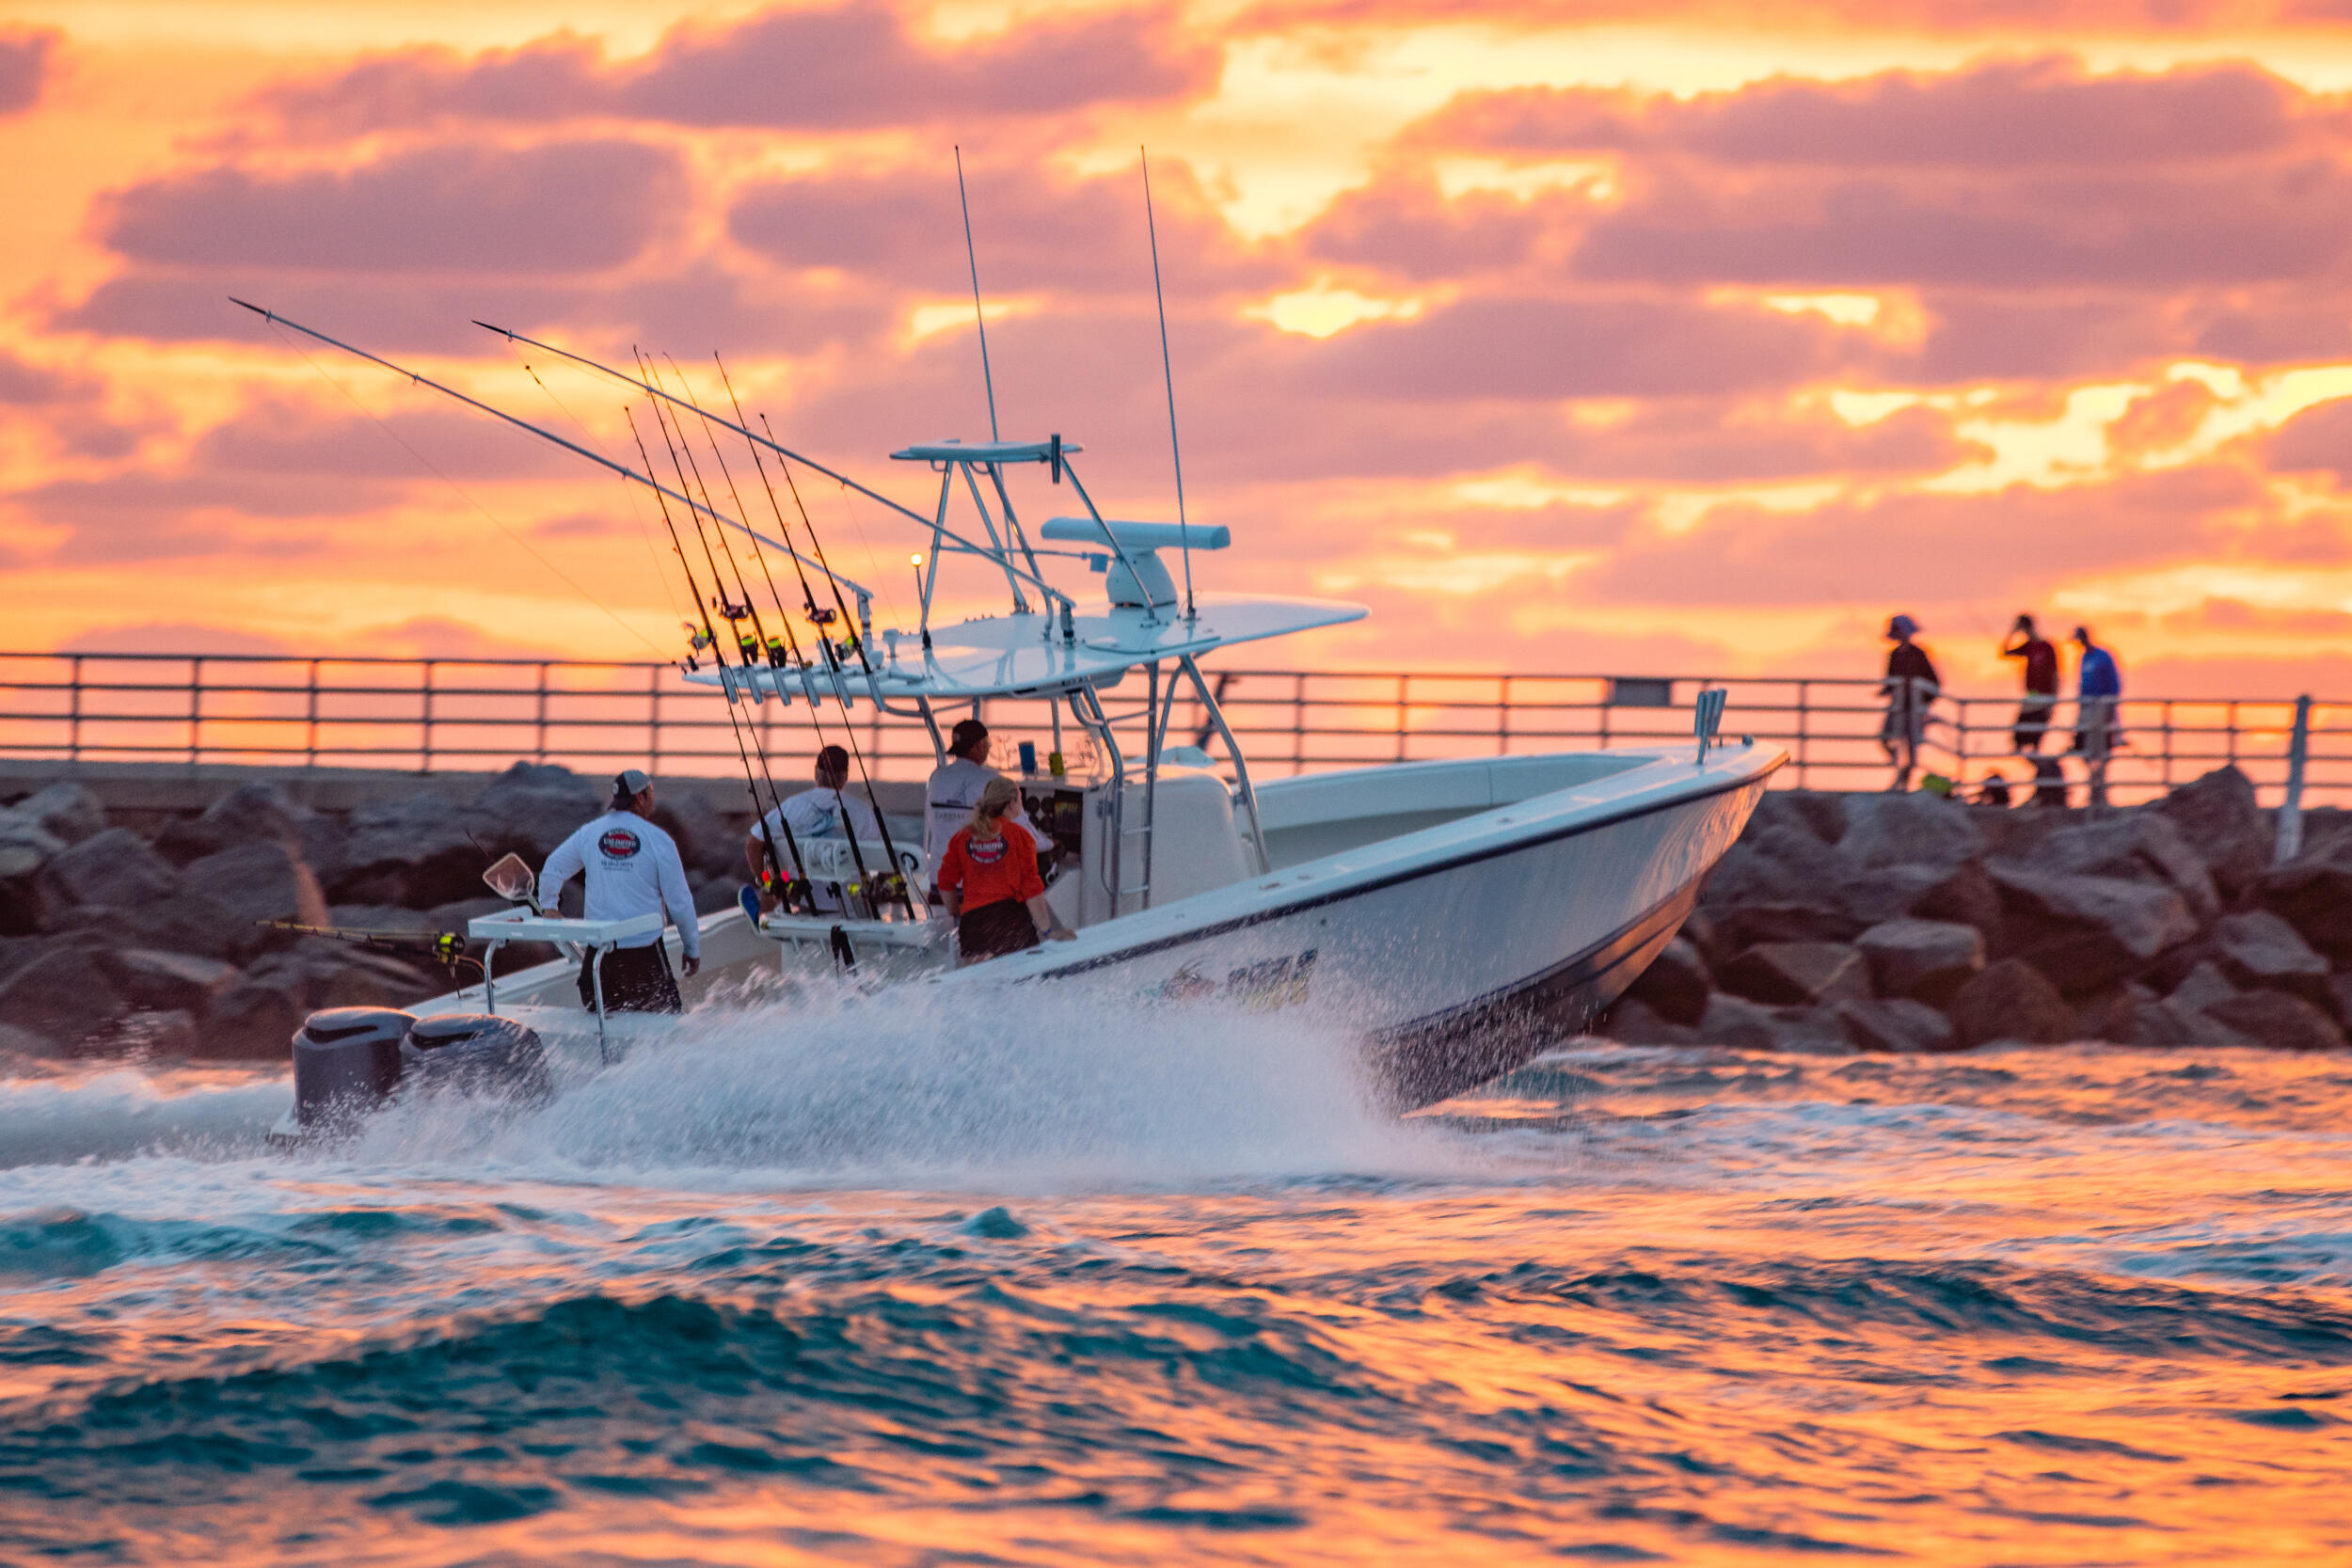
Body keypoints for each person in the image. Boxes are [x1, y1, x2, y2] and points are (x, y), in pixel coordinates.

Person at [539, 768, 701, 1013]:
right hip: (644, 957)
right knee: (665, 1029)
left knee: (607, 1028)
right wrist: (691, 949)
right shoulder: (658, 840)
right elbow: (680, 902)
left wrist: (549, 907)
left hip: (599, 960)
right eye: (651, 792)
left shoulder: (590, 832)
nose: (653, 798)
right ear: (641, 796)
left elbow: (553, 868)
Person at [933, 776, 1074, 964]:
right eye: (1020, 801)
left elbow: (944, 882)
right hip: (1009, 922)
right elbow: (1032, 890)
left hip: (972, 926)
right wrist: (1048, 931)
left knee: (977, 986)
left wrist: (956, 912)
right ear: (1012, 803)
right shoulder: (1020, 837)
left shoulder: (962, 837)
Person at [742, 745, 882, 915]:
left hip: (803, 900)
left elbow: (753, 844)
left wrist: (764, 881)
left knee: (773, 872)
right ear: (845, 776)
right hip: (852, 902)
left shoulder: (791, 806)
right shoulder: (863, 811)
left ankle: (762, 912)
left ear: (816, 772)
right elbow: (882, 860)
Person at [924, 718, 1033, 887]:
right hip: (972, 887)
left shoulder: (936, 777)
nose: (989, 748)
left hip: (938, 882)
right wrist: (1050, 844)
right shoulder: (990, 780)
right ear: (979, 746)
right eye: (987, 743)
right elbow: (1026, 834)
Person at [1879, 614, 1940, 792]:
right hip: (1898, 707)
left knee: (1911, 747)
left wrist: (1923, 701)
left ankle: (1904, 781)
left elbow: (1933, 681)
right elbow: (1890, 679)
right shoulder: (1894, 655)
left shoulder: (1919, 654)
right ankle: (1899, 770)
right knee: (1885, 738)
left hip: (1914, 708)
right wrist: (1887, 690)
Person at [2072, 626, 2124, 806]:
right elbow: (2082, 687)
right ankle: (2095, 786)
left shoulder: (2103, 656)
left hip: (2101, 707)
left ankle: (2099, 790)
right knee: (2084, 749)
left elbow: (2114, 684)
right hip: (2087, 709)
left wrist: (2109, 708)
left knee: (2100, 750)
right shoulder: (2084, 659)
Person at [1999, 612, 2058, 753]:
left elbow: (2055, 674)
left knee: (2036, 732)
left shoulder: (2047, 647)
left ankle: (2037, 760)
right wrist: (2012, 632)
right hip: (2031, 695)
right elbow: (2005, 652)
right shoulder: (2028, 647)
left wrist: (2053, 700)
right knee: (2020, 732)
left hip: (2045, 696)